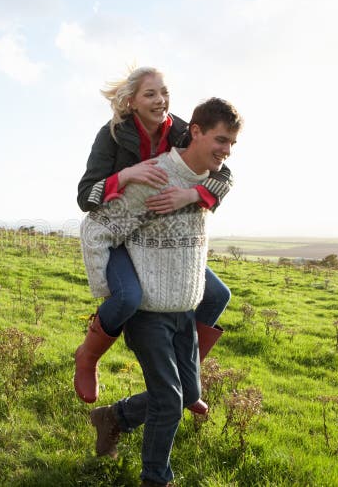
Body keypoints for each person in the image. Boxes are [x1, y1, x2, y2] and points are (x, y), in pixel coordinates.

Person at [85, 97, 244, 486]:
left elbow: (226, 180)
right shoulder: (155, 177)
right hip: (149, 313)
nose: (225, 152)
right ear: (195, 131)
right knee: (170, 402)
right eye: (220, 140)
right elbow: (95, 228)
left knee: (188, 392)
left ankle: (114, 417)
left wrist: (193, 195)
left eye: (232, 144)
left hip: (185, 311)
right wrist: (110, 291)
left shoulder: (209, 180)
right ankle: (155, 479)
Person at [74, 66, 231, 403]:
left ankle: (185, 372)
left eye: (164, 92)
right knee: (128, 297)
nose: (161, 100)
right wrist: (126, 174)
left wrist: (192, 195)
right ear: (131, 102)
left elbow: (224, 174)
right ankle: (87, 356)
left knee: (217, 295)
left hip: (160, 238)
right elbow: (86, 196)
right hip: (120, 230)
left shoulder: (180, 130)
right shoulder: (112, 135)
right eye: (150, 94)